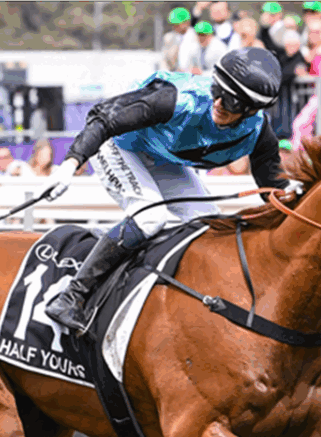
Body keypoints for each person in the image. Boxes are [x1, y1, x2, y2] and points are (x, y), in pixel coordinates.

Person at [39, 47, 293, 333]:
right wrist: (70, 164)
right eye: (217, 90)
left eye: (232, 101)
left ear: (251, 111)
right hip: (120, 145)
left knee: (211, 227)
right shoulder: (176, 99)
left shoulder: (258, 132)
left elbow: (273, 185)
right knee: (151, 217)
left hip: (162, 157)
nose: (219, 103)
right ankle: (72, 296)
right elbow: (104, 118)